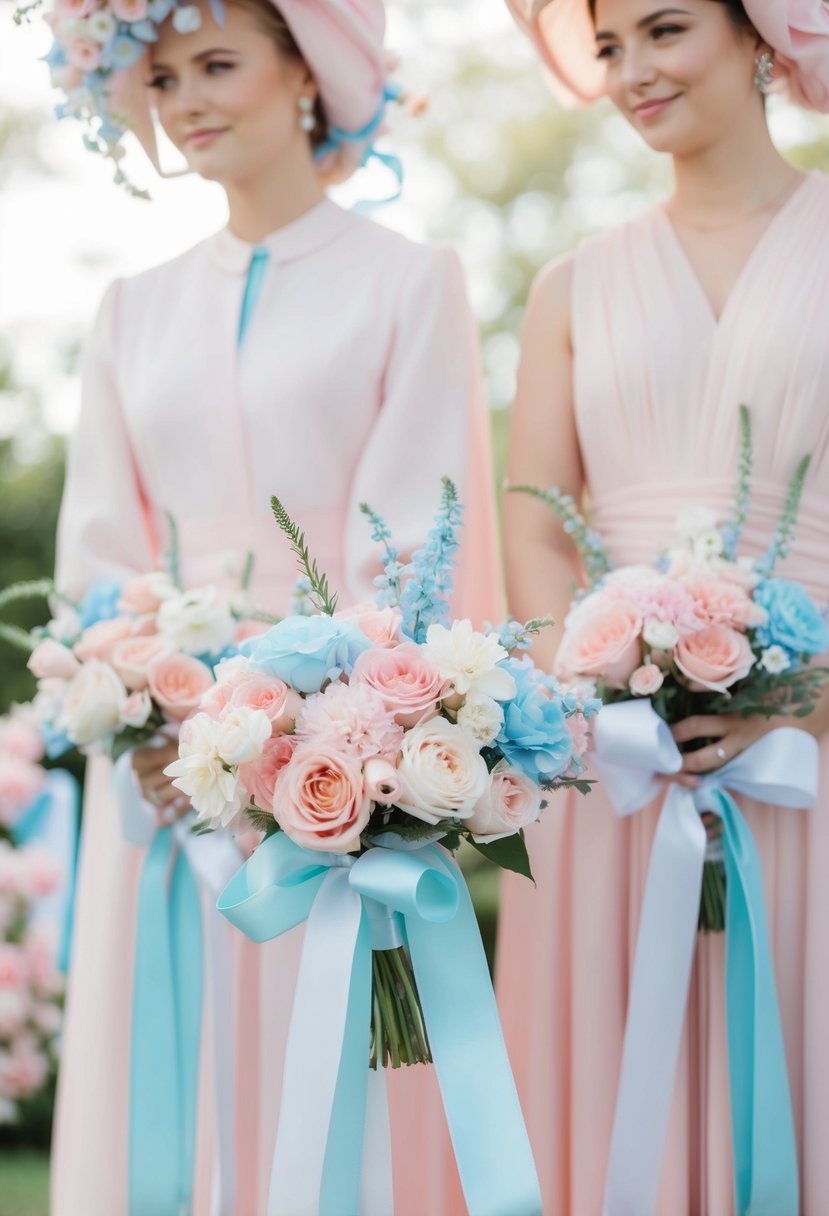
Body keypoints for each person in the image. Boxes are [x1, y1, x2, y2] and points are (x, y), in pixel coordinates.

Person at [47, 0, 501, 1210]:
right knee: (165, 1082)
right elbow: (99, 549)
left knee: (321, 1096)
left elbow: (413, 543)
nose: (186, 98)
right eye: (161, 76)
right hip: (153, 771)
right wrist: (141, 702)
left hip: (321, 765)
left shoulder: (408, 282)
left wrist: (298, 730)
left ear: (304, 70)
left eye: (216, 64)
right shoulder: (127, 310)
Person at [497, 0, 829, 1210]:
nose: (632, 71)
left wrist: (810, 700)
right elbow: (534, 515)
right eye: (608, 46)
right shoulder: (570, 287)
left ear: (761, 36)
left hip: (812, 753)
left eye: (664, 29)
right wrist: (590, 694)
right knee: (622, 1091)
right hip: (619, 774)